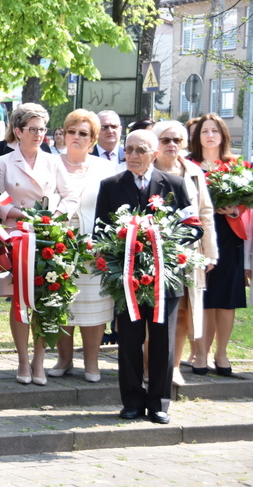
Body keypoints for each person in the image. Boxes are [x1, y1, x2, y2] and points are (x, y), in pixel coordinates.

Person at [95, 129, 199, 424]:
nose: (133, 156)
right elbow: (98, 232)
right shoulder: (111, 185)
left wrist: (167, 240)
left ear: (155, 154)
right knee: (128, 340)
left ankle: (159, 403)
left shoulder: (175, 185)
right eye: (128, 150)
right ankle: (131, 401)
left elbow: (194, 226)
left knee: (163, 343)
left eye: (140, 150)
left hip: (165, 278)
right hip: (127, 280)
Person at [0, 103, 78, 386]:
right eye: (33, 129)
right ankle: (21, 359)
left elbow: (70, 196)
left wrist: (53, 215)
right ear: (18, 131)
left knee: (45, 299)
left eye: (43, 129)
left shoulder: (54, 161)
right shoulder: (3, 161)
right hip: (16, 237)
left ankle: (39, 360)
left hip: (47, 237)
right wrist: (19, 213)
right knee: (19, 300)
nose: (39, 134)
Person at [48, 110, 114, 382]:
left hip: (93, 246)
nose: (76, 137)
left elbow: (112, 209)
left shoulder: (106, 168)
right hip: (56, 245)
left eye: (83, 133)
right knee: (60, 301)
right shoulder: (49, 163)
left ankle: (92, 363)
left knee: (93, 304)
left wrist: (104, 242)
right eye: (71, 131)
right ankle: (64, 359)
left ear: (93, 139)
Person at [151, 120, 217, 386]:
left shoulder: (193, 171)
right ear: (155, 142)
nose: (172, 145)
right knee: (150, 311)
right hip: (150, 250)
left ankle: (173, 366)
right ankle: (148, 364)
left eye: (178, 140)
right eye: (166, 140)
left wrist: (210, 253)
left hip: (187, 253)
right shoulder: (147, 168)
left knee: (182, 312)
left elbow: (205, 213)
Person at [186, 114, 248, 377]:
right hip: (198, 237)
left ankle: (221, 354)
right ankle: (200, 354)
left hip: (229, 235)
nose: (210, 135)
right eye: (204, 131)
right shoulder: (188, 165)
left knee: (226, 299)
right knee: (202, 296)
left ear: (223, 135)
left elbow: (248, 201)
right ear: (197, 137)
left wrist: (235, 209)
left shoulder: (237, 165)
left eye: (215, 131)